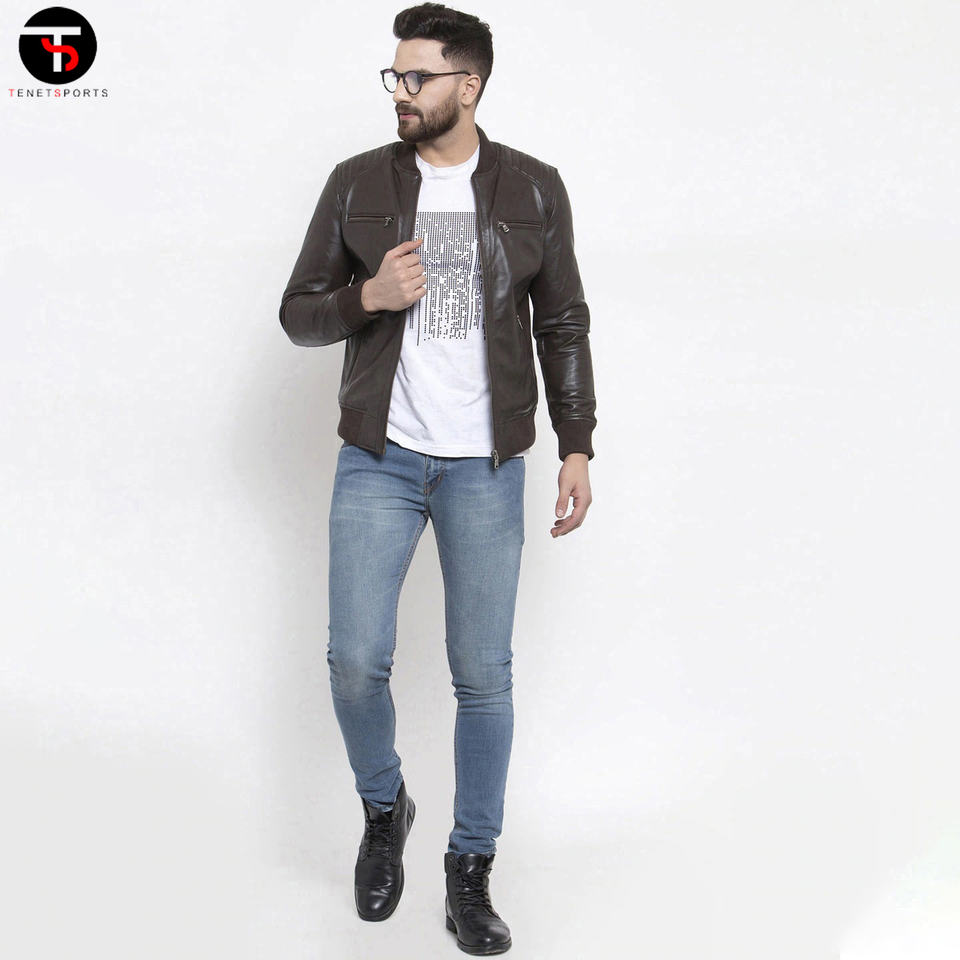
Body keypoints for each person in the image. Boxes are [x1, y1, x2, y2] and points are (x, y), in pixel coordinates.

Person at [278, 3, 596, 954]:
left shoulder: (533, 188)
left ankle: (470, 868)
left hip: (485, 467)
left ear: (470, 84)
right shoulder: (357, 183)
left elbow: (563, 322)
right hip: (379, 457)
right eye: (396, 76)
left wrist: (576, 443)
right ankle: (386, 808)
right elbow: (298, 313)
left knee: (483, 677)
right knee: (354, 661)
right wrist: (366, 296)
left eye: (418, 77)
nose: (401, 92)